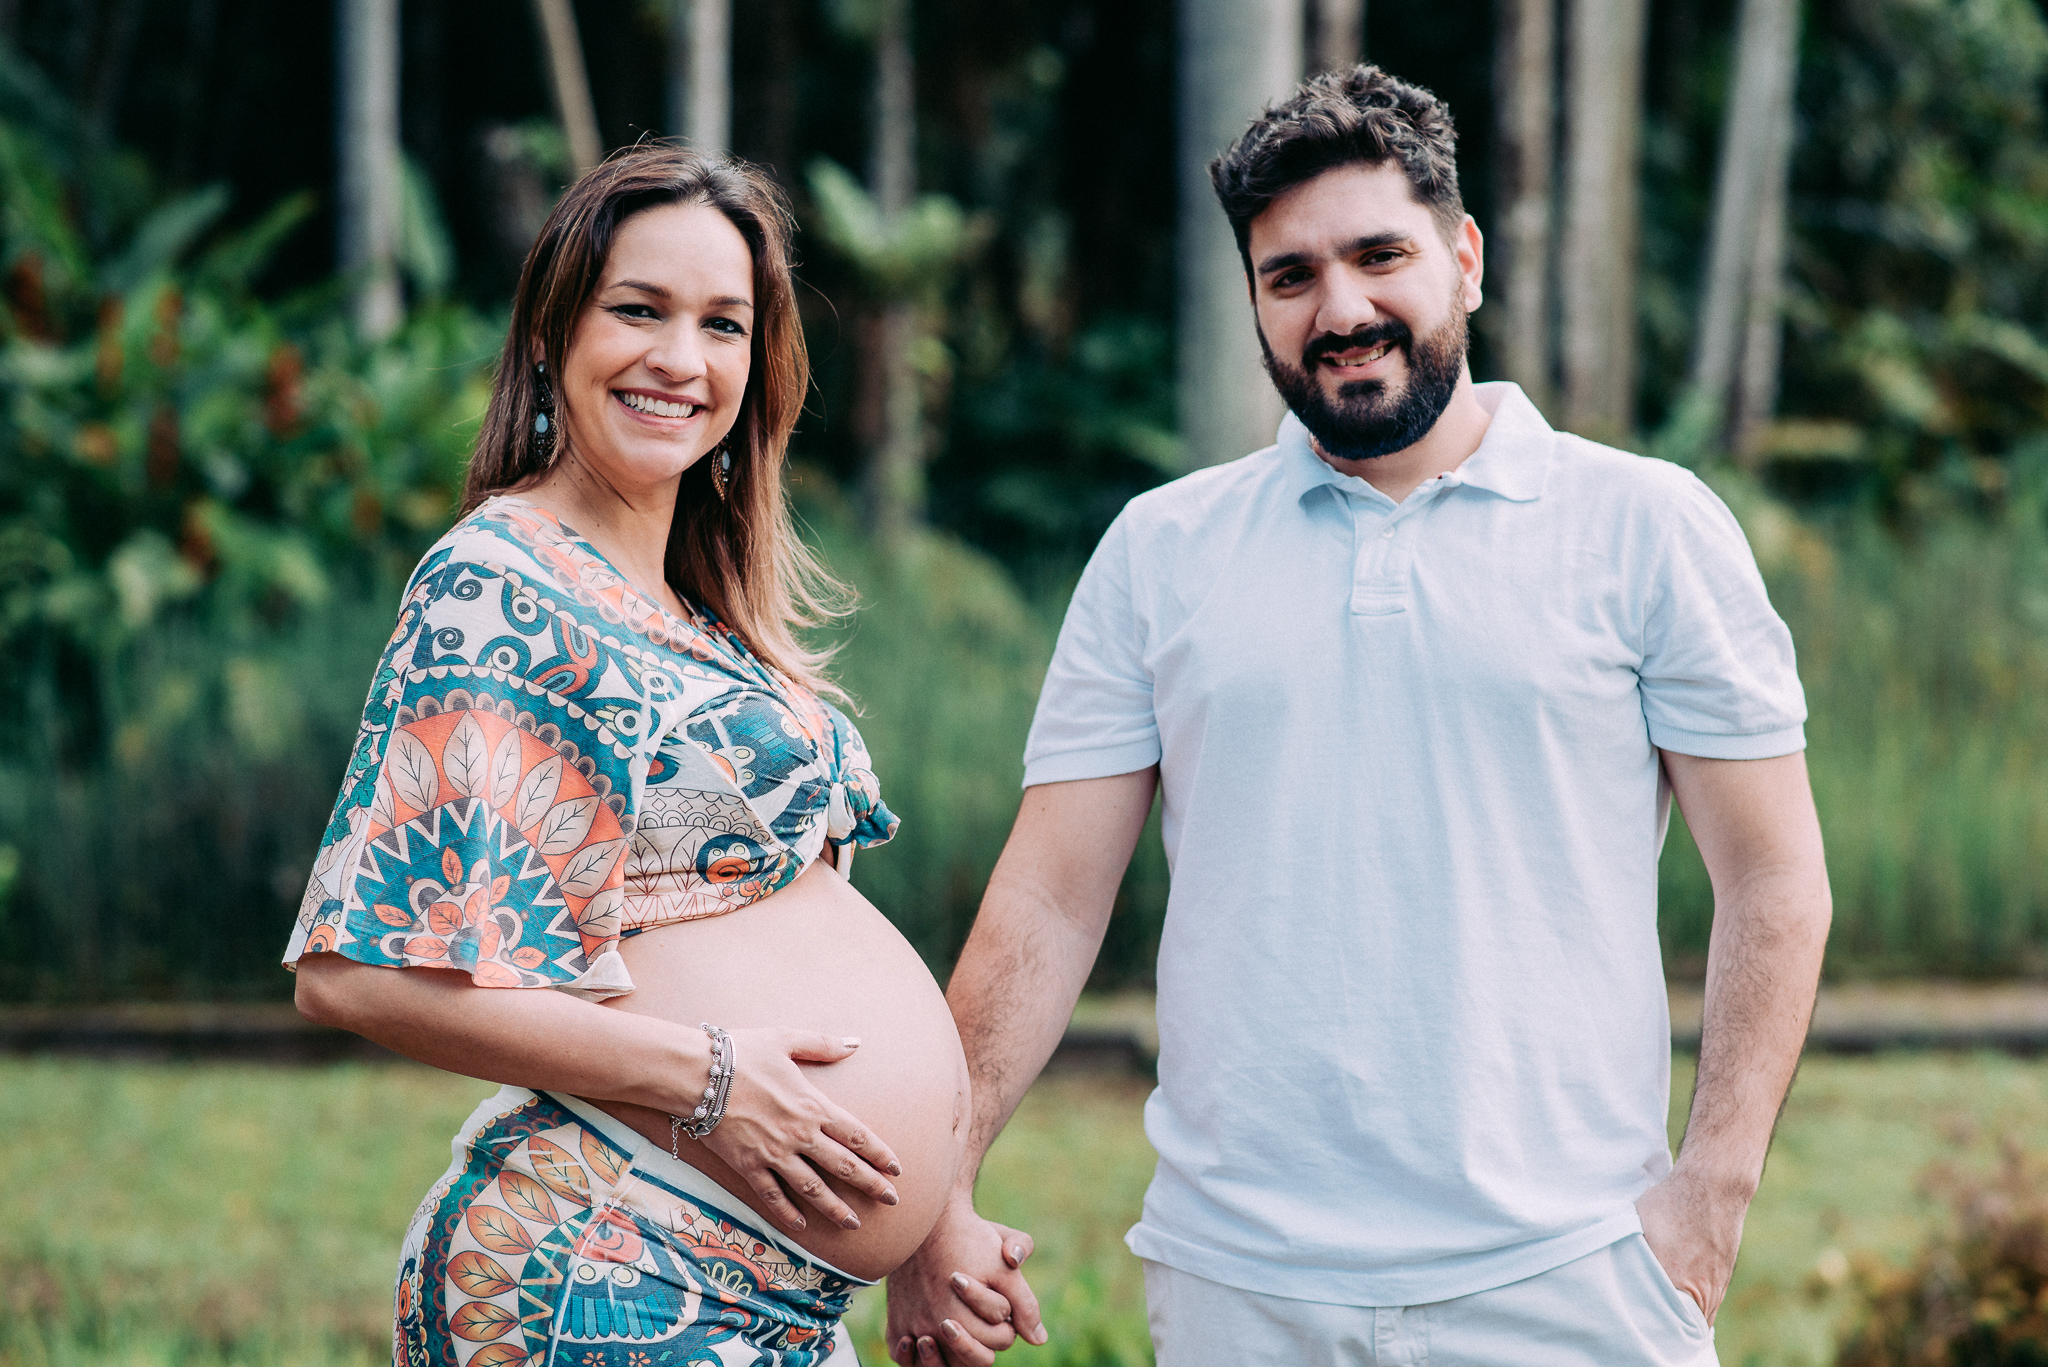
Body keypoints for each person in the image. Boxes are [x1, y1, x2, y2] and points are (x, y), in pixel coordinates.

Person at [885, 66, 1831, 1367]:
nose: (1342, 308)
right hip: (1241, 1284)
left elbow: (1774, 879)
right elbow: (1049, 900)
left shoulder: (1646, 527)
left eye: (1381, 255)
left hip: (1570, 1271)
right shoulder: (1161, 550)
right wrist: (937, 1179)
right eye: (1290, 275)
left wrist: (1709, 1195)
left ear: (1465, 259)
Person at [287, 144, 1023, 1367]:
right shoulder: (500, 584)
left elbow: (801, 909)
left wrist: (929, 1213)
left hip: (773, 1298)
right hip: (611, 1274)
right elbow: (354, 974)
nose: (681, 358)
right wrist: (709, 1079)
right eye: (638, 310)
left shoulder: (704, 615)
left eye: (721, 323)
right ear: (550, 337)